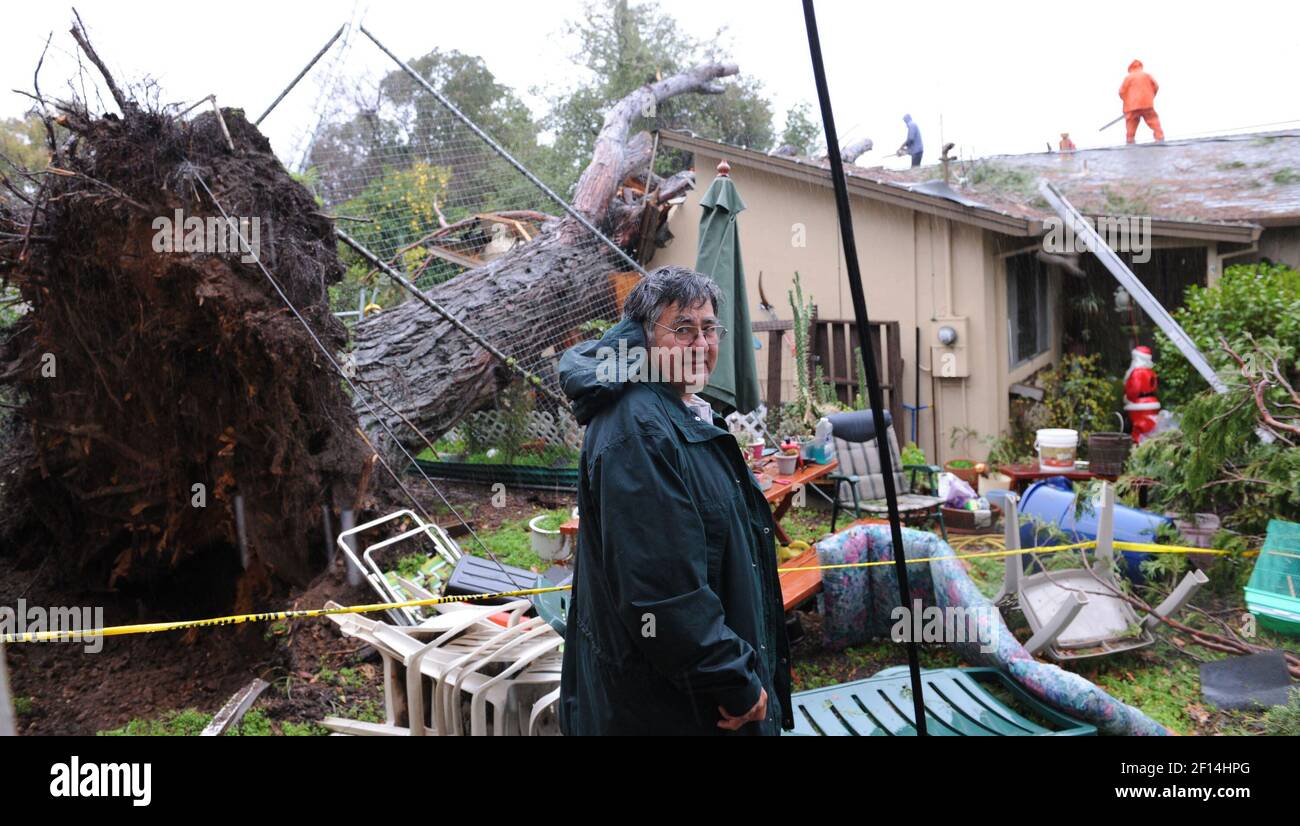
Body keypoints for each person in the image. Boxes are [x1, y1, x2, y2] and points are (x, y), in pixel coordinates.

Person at [556, 266, 793, 735]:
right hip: (668, 709)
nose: (701, 345)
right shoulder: (637, 430)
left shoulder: (680, 409)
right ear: (644, 340)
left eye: (709, 329)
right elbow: (661, 595)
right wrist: (737, 683)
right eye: (683, 330)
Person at [1119, 60, 1164, 144]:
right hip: (1147, 105)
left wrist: (1128, 103)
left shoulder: (1128, 78)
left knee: (1131, 124)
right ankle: (1160, 138)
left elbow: (1121, 92)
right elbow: (1156, 86)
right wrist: (1149, 97)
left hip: (1131, 107)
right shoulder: (1147, 75)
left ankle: (1130, 142)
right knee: (1153, 121)